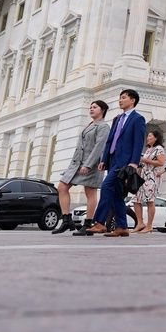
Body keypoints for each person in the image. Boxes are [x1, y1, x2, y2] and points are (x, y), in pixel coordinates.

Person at [83, 90, 146, 237]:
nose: (120, 100)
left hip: (124, 162)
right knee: (117, 194)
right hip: (112, 160)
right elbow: (110, 140)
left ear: (132, 100)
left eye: (123, 98)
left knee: (106, 186)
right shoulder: (117, 119)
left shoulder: (138, 119)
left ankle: (99, 222)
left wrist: (134, 162)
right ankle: (122, 227)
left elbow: (138, 142)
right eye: (120, 98)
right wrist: (104, 159)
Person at [55, 100, 110, 235]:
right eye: (90, 107)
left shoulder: (103, 126)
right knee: (62, 187)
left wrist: (88, 165)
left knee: (90, 192)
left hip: (91, 165)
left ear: (102, 110)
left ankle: (88, 224)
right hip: (76, 164)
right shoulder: (90, 124)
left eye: (95, 107)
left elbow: (99, 147)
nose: (91, 109)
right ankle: (67, 220)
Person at [131, 129, 166, 233]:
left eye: (150, 136)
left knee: (149, 200)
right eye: (148, 136)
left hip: (152, 177)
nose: (148, 138)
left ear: (156, 138)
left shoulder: (159, 149)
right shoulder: (148, 149)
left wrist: (146, 160)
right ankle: (140, 223)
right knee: (136, 199)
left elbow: (161, 162)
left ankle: (149, 225)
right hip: (143, 177)